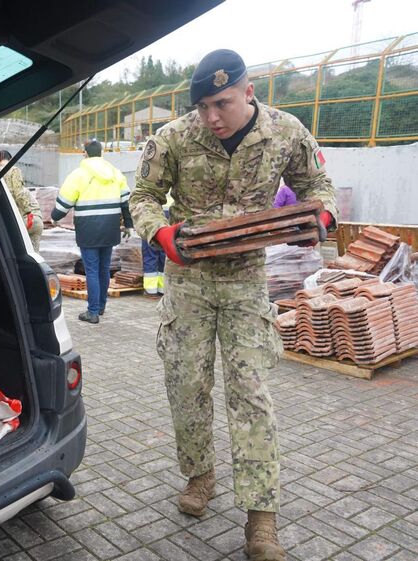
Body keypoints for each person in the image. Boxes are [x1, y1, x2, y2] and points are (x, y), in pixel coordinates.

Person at [129, 49, 336, 561]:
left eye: (221, 103)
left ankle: (261, 521)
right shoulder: (174, 137)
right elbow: (143, 194)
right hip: (188, 283)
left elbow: (318, 187)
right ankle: (201, 475)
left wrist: (321, 222)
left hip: (247, 285)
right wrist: (160, 232)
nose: (210, 117)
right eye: (201, 106)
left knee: (251, 396)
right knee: (186, 386)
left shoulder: (287, 132)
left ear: (248, 91)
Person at [52, 139, 133, 324]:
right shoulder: (115, 173)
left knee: (92, 270)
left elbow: (64, 203)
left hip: (88, 230)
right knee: (104, 269)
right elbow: (125, 202)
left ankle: (93, 312)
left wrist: (55, 217)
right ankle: (101, 306)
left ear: (85, 153)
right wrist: (128, 224)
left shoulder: (78, 175)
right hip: (110, 228)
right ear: (102, 152)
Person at [0, 150, 44, 251]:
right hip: (29, 216)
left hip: (10, 219)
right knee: (33, 251)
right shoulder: (14, 170)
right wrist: (29, 211)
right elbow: (19, 193)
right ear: (11, 159)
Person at [142, 191, 172, 295]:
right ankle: (162, 288)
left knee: (151, 252)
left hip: (153, 213)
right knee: (164, 252)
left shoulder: (151, 176)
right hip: (170, 211)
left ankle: (151, 290)